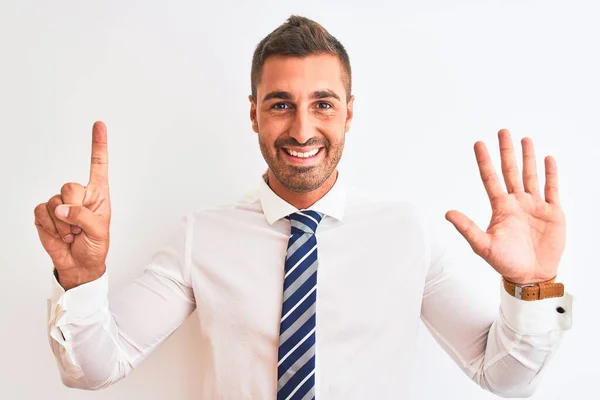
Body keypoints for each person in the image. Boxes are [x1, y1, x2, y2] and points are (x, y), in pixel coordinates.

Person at [35, 15, 573, 400]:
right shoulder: (201, 236)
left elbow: (504, 378)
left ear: (349, 112)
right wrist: (81, 279)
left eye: (322, 103)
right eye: (280, 105)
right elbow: (94, 370)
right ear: (253, 114)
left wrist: (534, 285)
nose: (301, 129)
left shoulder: (409, 233)